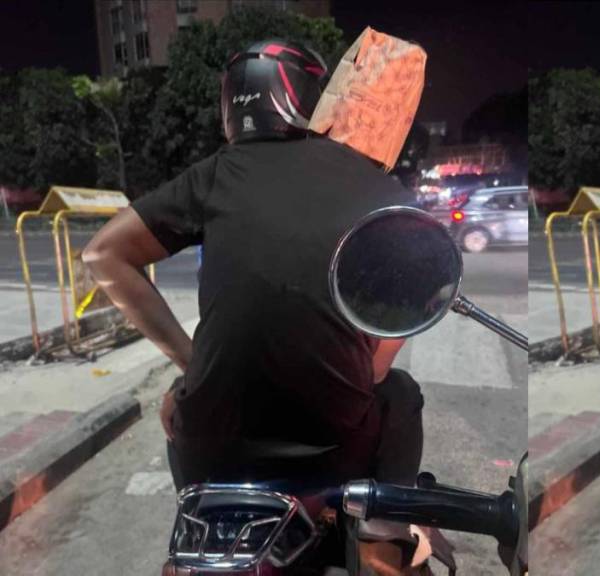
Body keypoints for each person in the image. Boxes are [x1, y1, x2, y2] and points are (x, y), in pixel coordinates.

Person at [83, 39, 432, 571]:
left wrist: (192, 365)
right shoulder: (375, 184)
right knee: (401, 393)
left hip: (213, 452)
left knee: (181, 406)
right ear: (317, 98)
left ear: (230, 105)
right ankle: (382, 533)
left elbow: (103, 254)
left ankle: (195, 524)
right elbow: (399, 320)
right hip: (336, 451)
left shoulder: (218, 172)